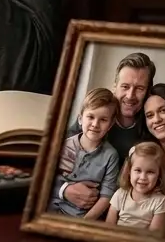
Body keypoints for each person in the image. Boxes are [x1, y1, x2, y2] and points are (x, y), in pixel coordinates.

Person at [62, 52, 155, 210]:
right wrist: (64, 190)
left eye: (139, 88)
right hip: (70, 205)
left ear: (147, 92)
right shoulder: (94, 115)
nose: (130, 96)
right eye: (125, 87)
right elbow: (57, 156)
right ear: (115, 86)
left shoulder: (150, 127)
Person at [50, 88, 120, 221]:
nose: (95, 124)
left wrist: (84, 223)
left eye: (103, 120)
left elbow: (107, 195)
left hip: (81, 218)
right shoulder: (63, 145)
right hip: (51, 211)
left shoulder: (111, 156)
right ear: (80, 119)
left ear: (110, 125)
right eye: (91, 117)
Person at [105, 141, 165, 231]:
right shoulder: (120, 194)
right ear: (129, 171)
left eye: (150, 172)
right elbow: (109, 227)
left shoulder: (160, 201)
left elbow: (153, 236)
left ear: (159, 175)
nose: (143, 177)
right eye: (138, 170)